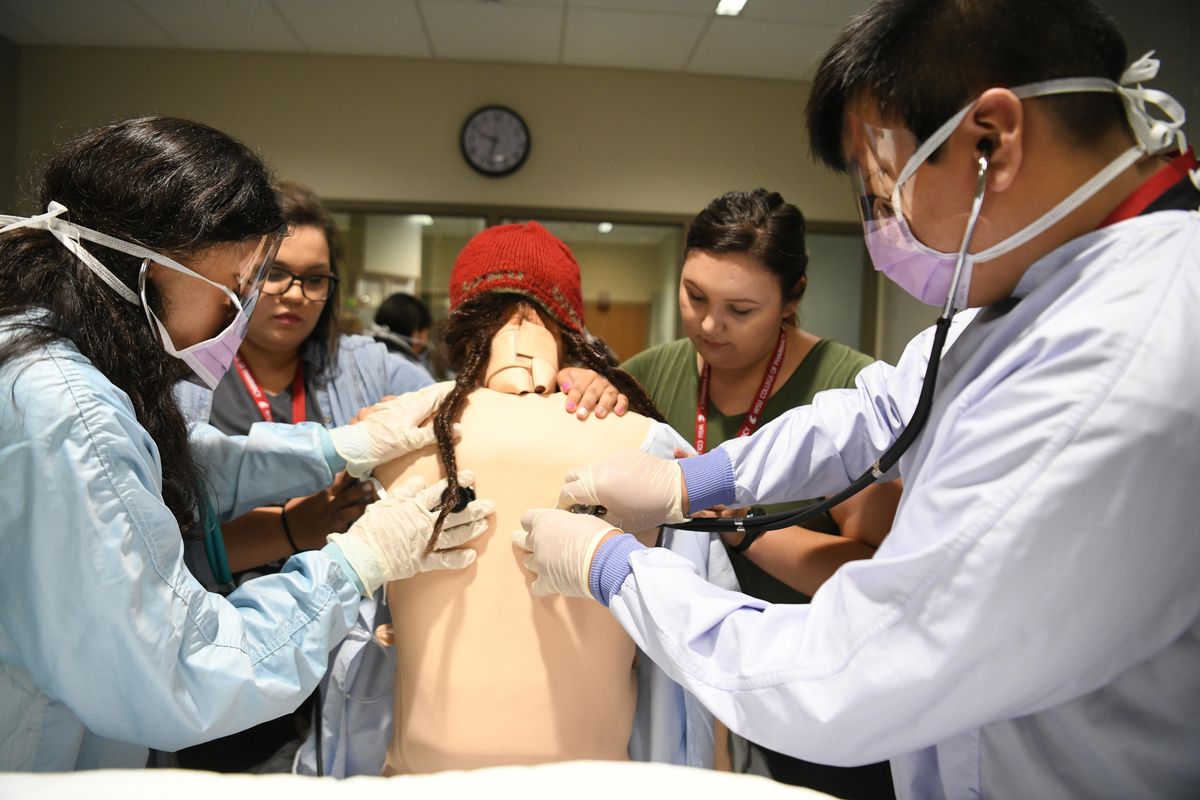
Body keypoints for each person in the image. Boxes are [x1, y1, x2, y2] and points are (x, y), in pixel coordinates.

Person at [514, 1, 1200, 797]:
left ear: (992, 141)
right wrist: (693, 481)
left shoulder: (1121, 363)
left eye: (884, 191)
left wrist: (615, 570)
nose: (884, 231)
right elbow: (880, 410)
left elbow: (844, 676)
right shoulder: (1044, 293)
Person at [0, 116, 494, 772]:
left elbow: (159, 465)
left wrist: (334, 448)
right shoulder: (65, 412)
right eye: (234, 290)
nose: (239, 314)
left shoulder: (45, 355)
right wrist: (353, 564)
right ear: (147, 271)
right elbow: (184, 671)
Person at [298, 222, 734, 776]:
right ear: (570, 329)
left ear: (460, 325)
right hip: (595, 778)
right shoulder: (643, 444)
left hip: (422, 777)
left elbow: (351, 648)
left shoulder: (396, 434)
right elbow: (698, 650)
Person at [621, 189, 899, 796]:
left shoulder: (847, 392)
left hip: (809, 702)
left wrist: (743, 528)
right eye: (695, 297)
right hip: (679, 690)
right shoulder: (649, 375)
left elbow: (875, 573)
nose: (710, 325)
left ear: (792, 297)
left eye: (740, 309)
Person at [371, 292, 432, 367]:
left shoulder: (362, 358)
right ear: (415, 333)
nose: (425, 341)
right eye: (427, 334)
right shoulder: (407, 369)